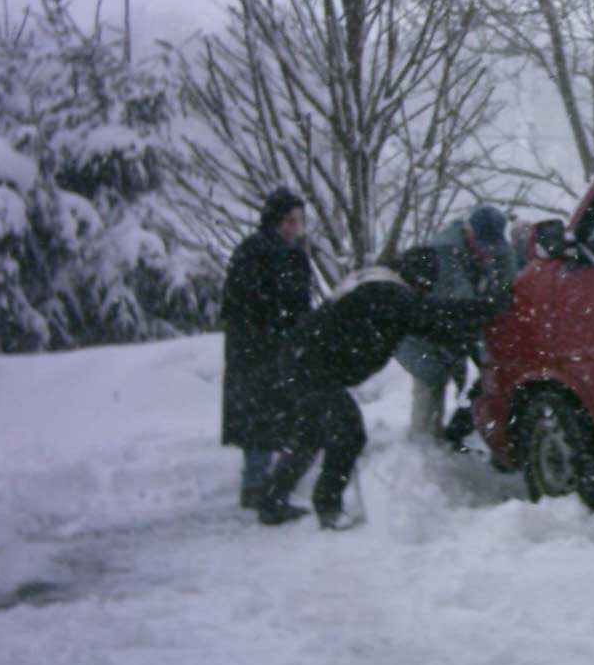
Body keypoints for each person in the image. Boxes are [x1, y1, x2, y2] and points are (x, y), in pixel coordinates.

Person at [256, 245, 512, 530]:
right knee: (348, 433)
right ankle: (327, 507)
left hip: (302, 363)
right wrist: (490, 307)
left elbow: (432, 325)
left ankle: (271, 502)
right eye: (424, 286)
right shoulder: (386, 292)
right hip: (311, 369)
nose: (424, 292)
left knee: (310, 434)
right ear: (416, 278)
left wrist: (477, 328)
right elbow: (432, 314)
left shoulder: (380, 290)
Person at [394, 205, 517, 446]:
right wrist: (487, 353)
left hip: (450, 330)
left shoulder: (499, 252)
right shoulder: (443, 254)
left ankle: (440, 441)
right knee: (430, 380)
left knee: (450, 374)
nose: (488, 255)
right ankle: (421, 451)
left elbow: (508, 290)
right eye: (484, 249)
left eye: (493, 249)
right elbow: (462, 307)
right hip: (417, 331)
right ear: (469, 233)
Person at [220, 187, 312, 510]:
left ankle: (267, 483)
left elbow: (300, 302)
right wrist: (277, 326)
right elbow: (242, 303)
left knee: (277, 416)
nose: (293, 227)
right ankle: (256, 484)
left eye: (297, 220)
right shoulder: (254, 252)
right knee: (262, 418)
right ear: (273, 220)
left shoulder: (294, 253)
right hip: (256, 351)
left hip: (279, 348)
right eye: (287, 220)